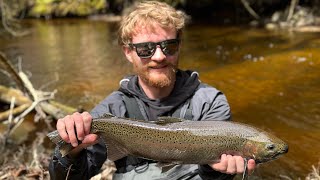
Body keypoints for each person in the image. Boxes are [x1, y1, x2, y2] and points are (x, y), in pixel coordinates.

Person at [49, 1, 256, 179]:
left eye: (169, 46)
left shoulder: (209, 102)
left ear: (180, 46)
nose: (159, 56)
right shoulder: (113, 110)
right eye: (146, 49)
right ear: (128, 52)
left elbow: (216, 178)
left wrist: (217, 172)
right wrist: (71, 152)